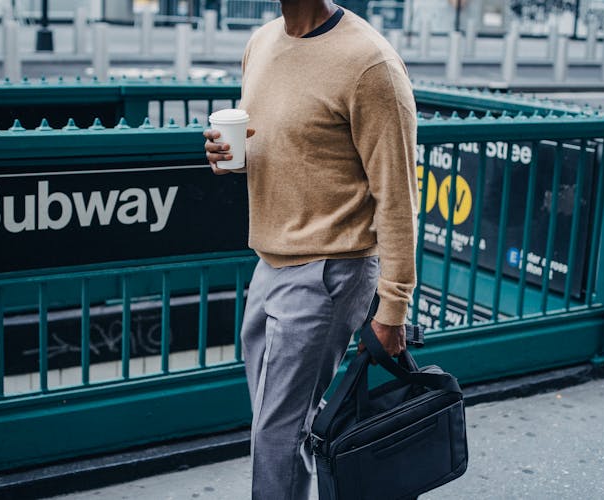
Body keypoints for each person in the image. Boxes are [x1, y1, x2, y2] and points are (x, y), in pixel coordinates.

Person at [203, 0, 418, 497]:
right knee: (279, 424)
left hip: (330, 270)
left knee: (277, 433)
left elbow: (399, 198)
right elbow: (288, 148)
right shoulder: (261, 43)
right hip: (269, 263)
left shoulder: (370, 64)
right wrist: (230, 158)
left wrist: (393, 309)